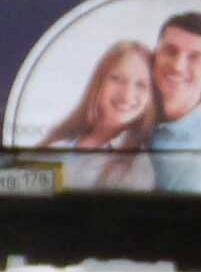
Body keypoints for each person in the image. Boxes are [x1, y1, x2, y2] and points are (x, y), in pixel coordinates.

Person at [42, 38, 157, 190]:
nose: (127, 95)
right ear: (99, 81)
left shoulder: (137, 166)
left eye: (141, 85)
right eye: (118, 79)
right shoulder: (61, 137)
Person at [144, 11, 201, 194]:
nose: (177, 66)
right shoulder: (129, 110)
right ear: (155, 54)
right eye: (169, 51)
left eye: (194, 57)